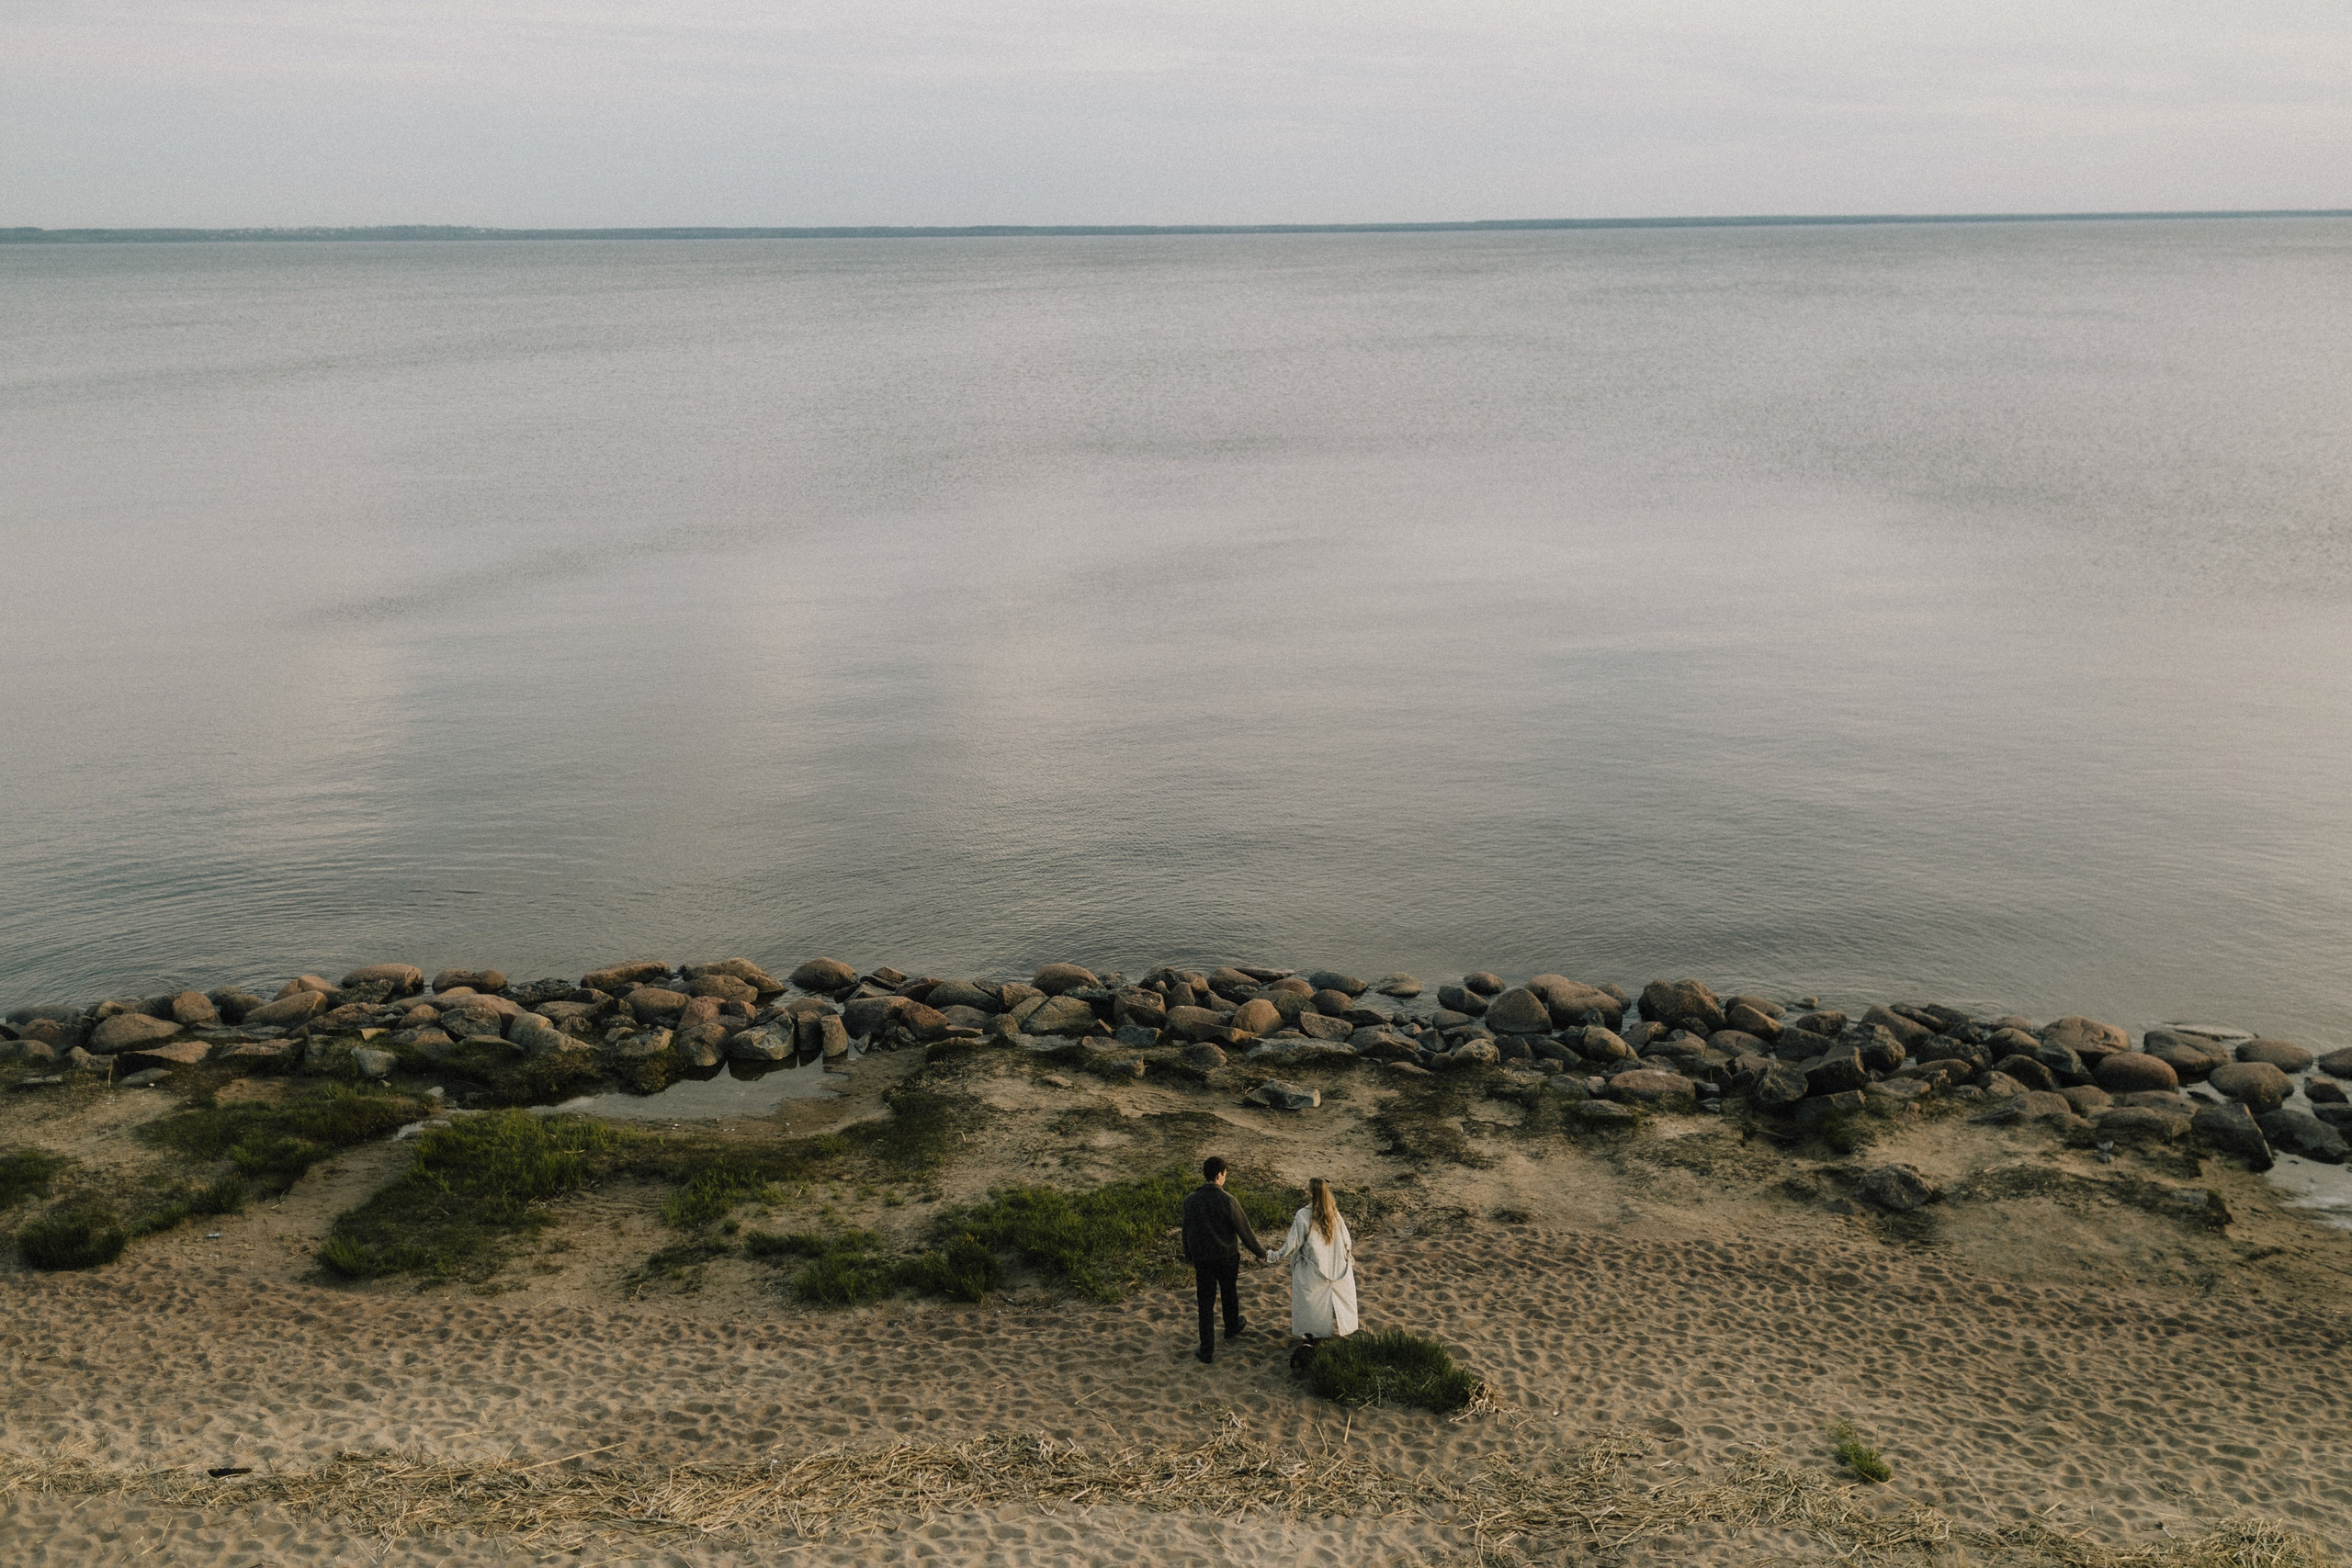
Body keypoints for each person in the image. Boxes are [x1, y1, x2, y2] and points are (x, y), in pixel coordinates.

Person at [1180, 1156, 1266, 1363]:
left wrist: (1188, 1255)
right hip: (1227, 1257)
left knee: (1205, 1303)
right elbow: (1244, 1230)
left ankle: (1207, 1349)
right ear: (1219, 1175)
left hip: (1203, 1260)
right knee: (1229, 1293)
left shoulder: (1191, 1201)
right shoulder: (1228, 1200)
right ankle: (1231, 1327)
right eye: (1225, 1175)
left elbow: (1186, 1232)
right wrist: (1260, 1252)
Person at [1264, 1177, 1358, 1350]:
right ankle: (1321, 1335)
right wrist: (1346, 1260)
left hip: (1311, 1268)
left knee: (1309, 1305)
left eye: (1306, 1189)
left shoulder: (1303, 1215)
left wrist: (1273, 1255)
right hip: (1332, 1266)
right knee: (1322, 1302)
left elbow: (1292, 1243)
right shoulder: (1334, 1214)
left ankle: (1310, 1339)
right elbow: (1347, 1242)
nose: (1303, 1190)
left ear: (1314, 1194)